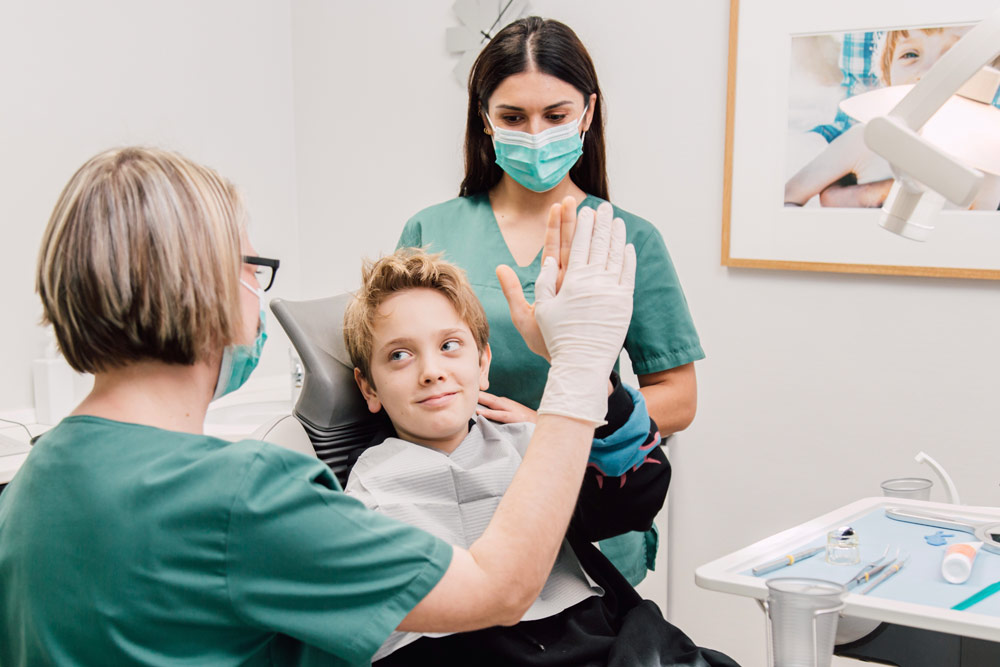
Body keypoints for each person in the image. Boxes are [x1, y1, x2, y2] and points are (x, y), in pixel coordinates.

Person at [0, 146, 636, 666]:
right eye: (251, 268)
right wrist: (579, 362)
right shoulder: (243, 496)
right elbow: (500, 590)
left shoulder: (29, 485)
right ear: (208, 291)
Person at [399, 16, 703, 585]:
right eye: (513, 117)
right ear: (485, 119)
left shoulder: (627, 238)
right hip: (461, 514)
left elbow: (679, 399)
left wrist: (551, 425)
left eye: (556, 116)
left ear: (587, 113)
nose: (535, 134)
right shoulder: (431, 229)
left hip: (588, 515)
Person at [340, 247, 738, 666]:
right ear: (368, 388)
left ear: (483, 362)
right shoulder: (364, 498)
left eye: (450, 345)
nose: (431, 370)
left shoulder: (529, 444)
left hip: (604, 642)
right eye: (399, 355)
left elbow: (627, 504)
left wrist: (586, 366)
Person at [784, 27, 972, 208]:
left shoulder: (981, 151)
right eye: (910, 55)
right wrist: (868, 195)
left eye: (950, 56)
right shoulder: (866, 140)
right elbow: (787, 199)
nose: (927, 72)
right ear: (886, 76)